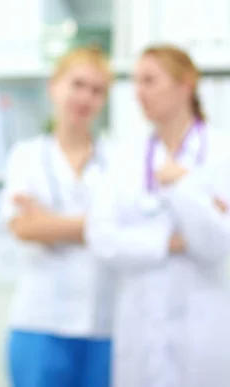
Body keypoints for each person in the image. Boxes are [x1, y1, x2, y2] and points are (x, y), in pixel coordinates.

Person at [85, 44, 230, 387]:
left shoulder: (223, 152)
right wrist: (168, 242)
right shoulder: (125, 156)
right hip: (140, 324)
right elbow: (100, 238)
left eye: (150, 81)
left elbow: (217, 245)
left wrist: (183, 186)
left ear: (187, 84)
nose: (138, 92)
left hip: (205, 325)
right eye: (136, 82)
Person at [0, 46, 114, 387]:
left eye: (97, 90)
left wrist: (51, 223)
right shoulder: (26, 156)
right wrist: (98, 225)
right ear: (54, 86)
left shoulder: (119, 160)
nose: (85, 97)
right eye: (77, 84)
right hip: (39, 322)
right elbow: (24, 227)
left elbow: (128, 231)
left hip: (104, 324)